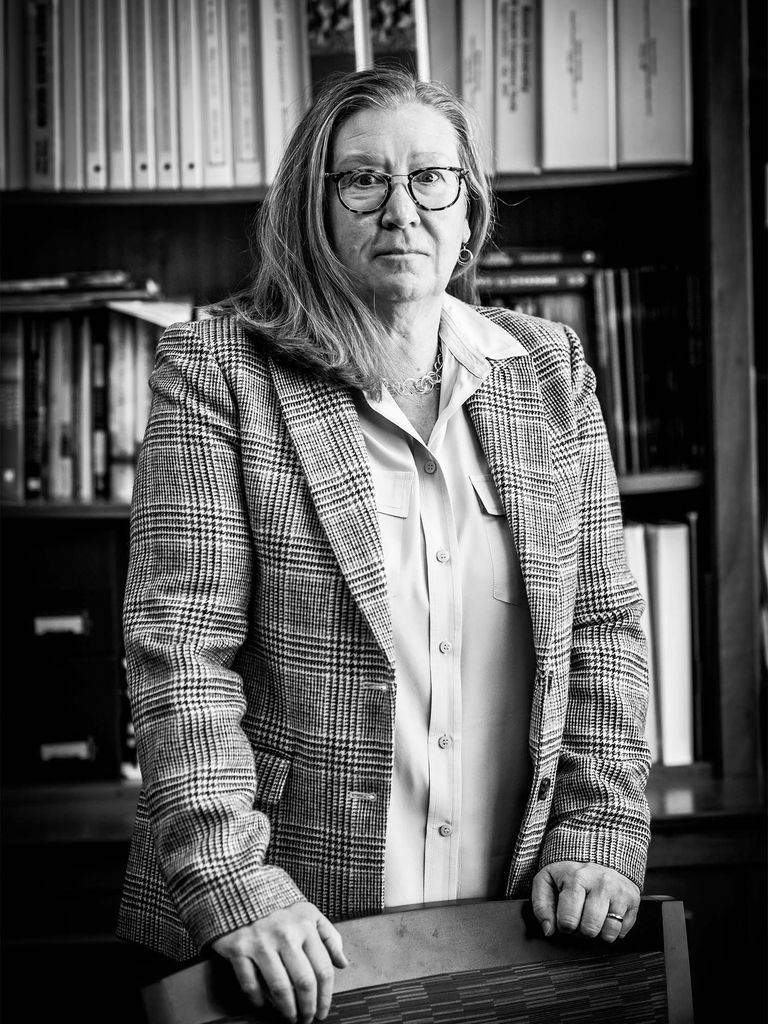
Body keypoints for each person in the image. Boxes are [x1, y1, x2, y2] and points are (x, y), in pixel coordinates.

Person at [117, 66, 651, 1024]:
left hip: (512, 928)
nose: (400, 209)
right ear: (313, 210)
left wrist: (599, 824)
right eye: (362, 180)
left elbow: (606, 625)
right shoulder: (217, 371)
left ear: (468, 208)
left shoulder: (549, 371)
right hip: (291, 942)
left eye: (430, 179)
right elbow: (180, 656)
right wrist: (236, 885)